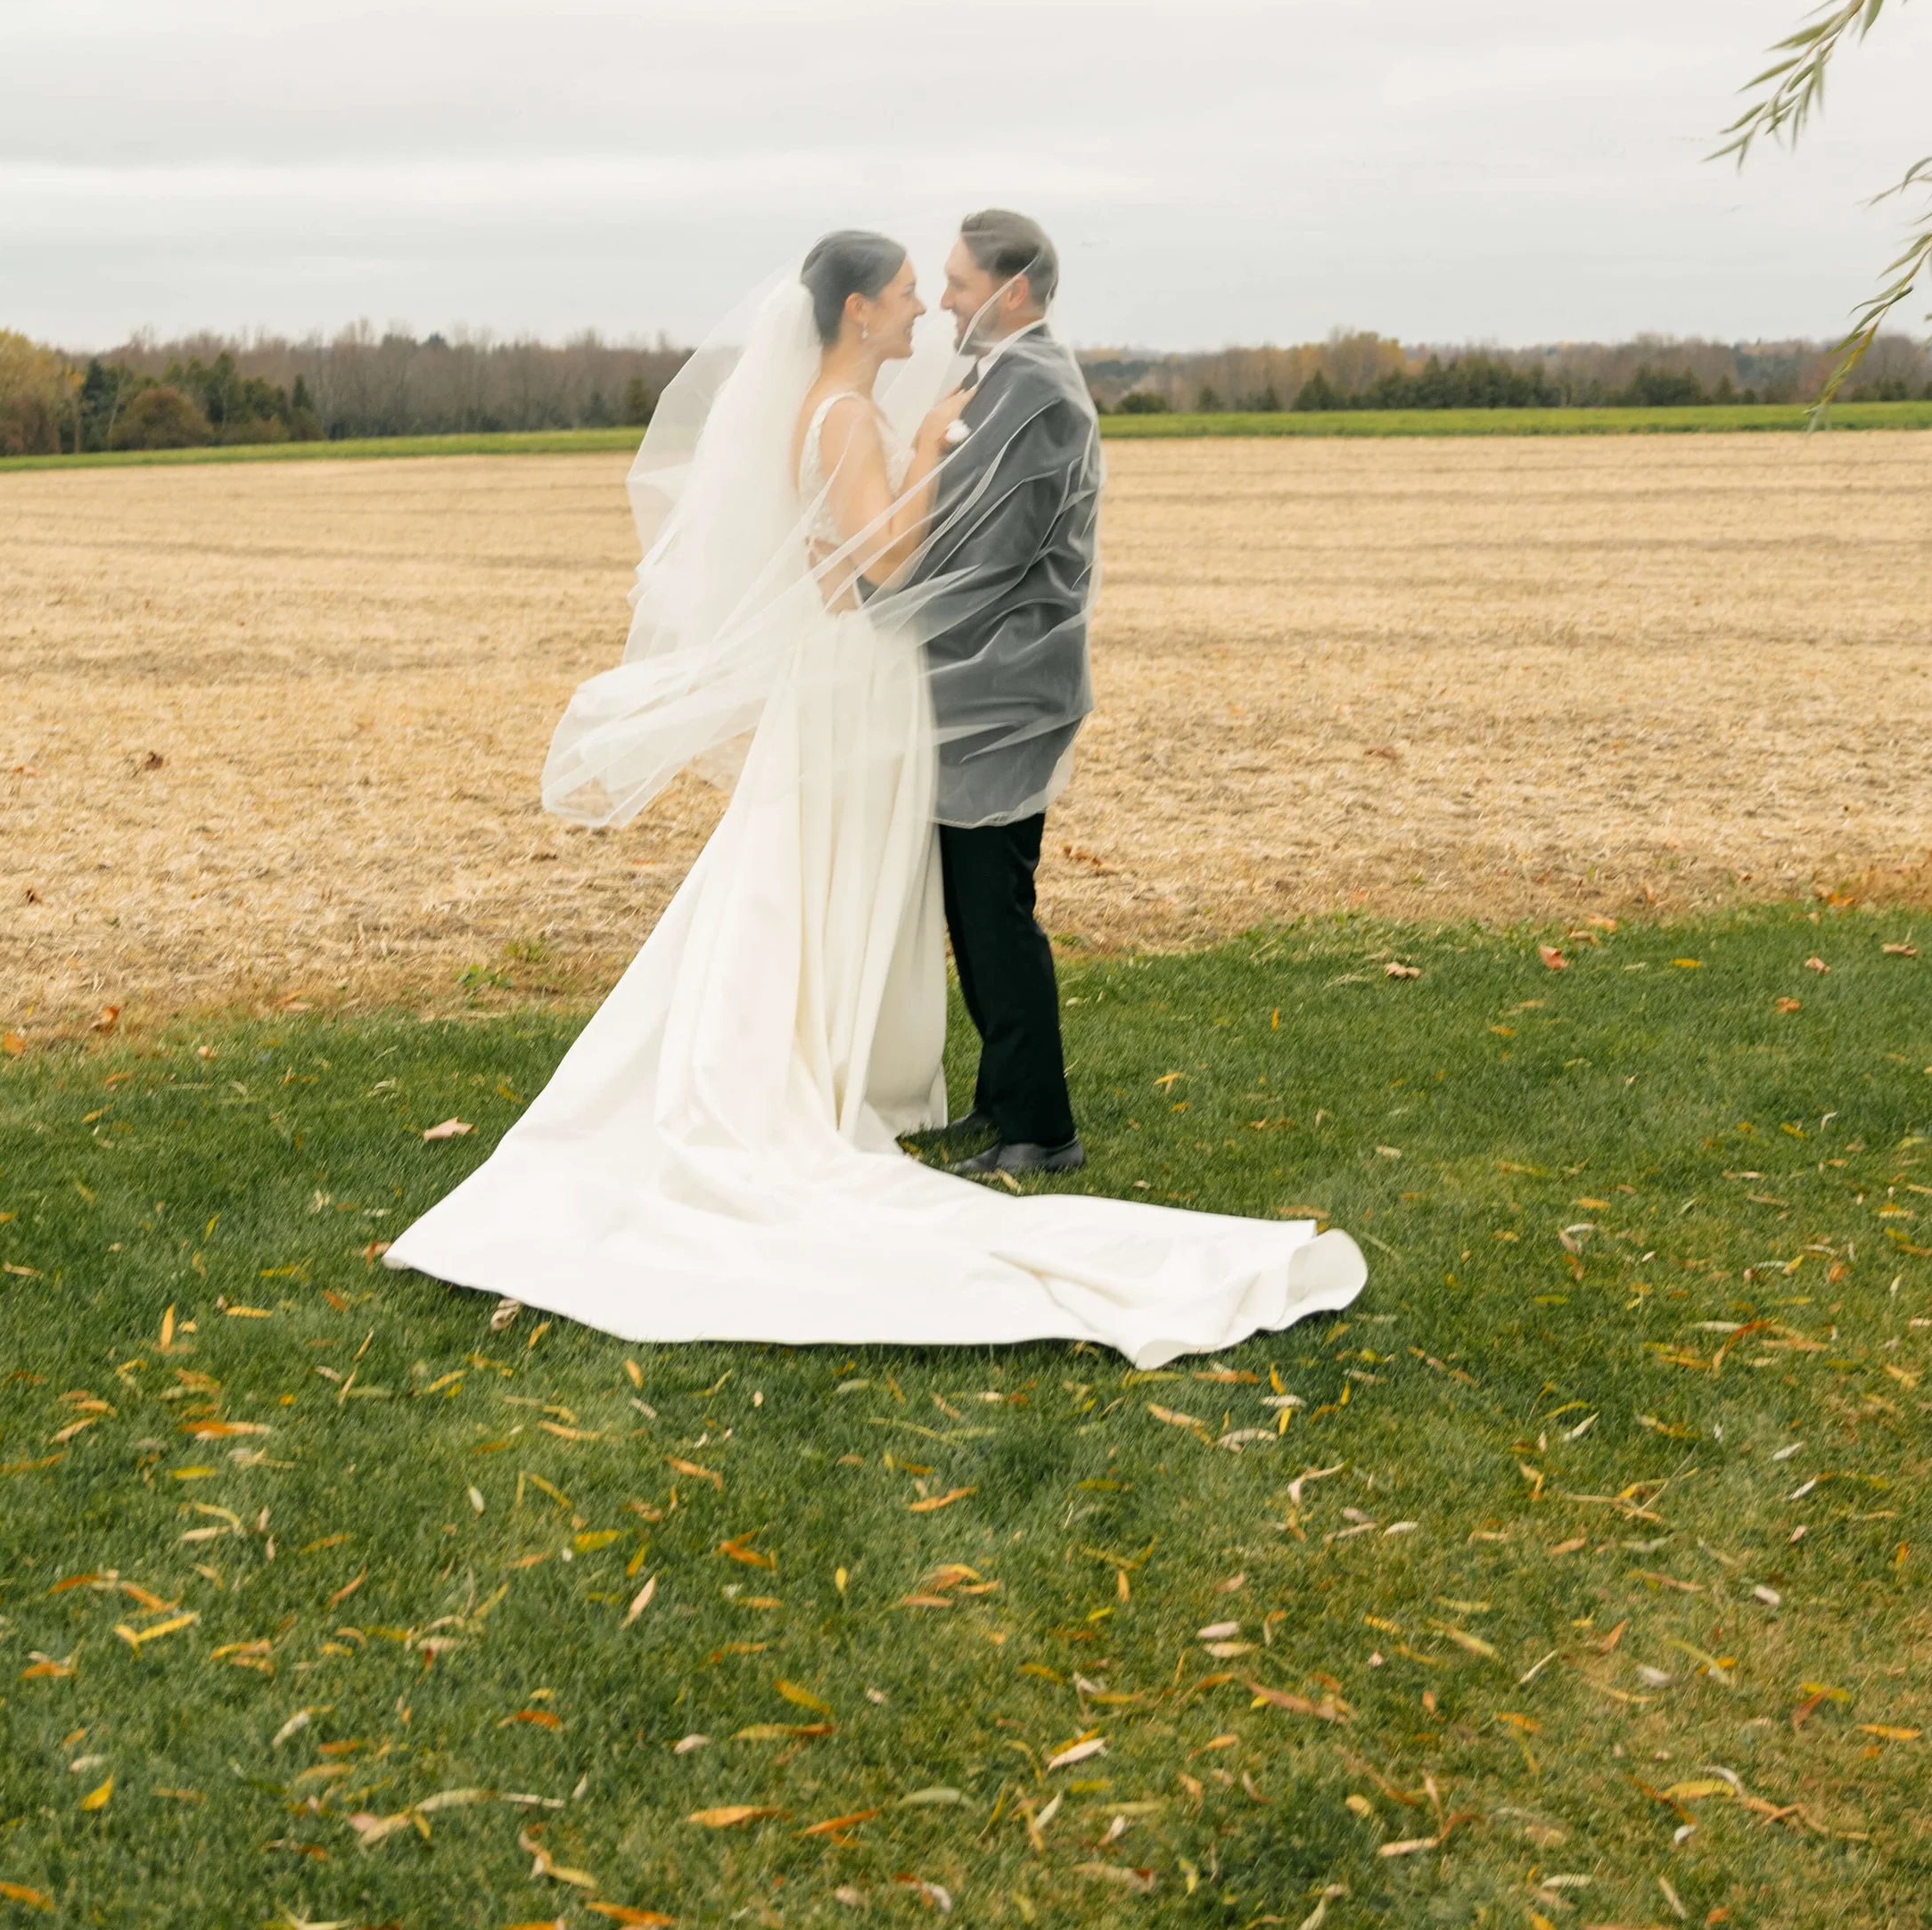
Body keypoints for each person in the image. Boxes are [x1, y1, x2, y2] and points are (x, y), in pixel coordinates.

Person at [384, 231, 1364, 1366]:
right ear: (857, 311)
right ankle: (839, 1085)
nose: (922, 312)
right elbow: (887, 564)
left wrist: (934, 446)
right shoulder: (847, 416)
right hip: (858, 680)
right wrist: (941, 451)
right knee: (827, 882)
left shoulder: (849, 402)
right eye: (907, 293)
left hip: (865, 678)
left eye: (936, 288)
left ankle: (863, 1072)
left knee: (829, 884)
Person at [903, 209, 1098, 1181]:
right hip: (973, 682)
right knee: (972, 906)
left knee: (996, 907)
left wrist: (879, 597)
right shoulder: (998, 377)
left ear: (1012, 290)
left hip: (1009, 686)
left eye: (960, 284)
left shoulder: (1039, 391)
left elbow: (998, 556)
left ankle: (1042, 1130)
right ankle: (998, 1104)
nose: (944, 301)